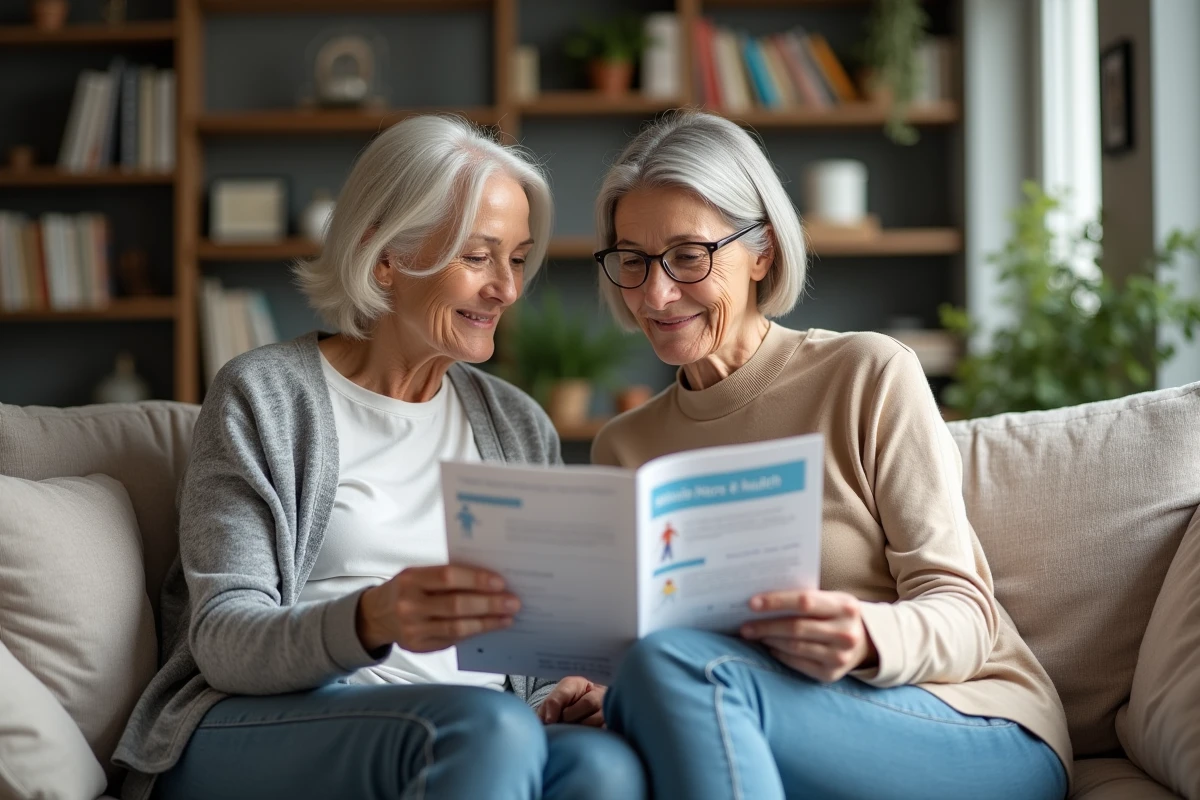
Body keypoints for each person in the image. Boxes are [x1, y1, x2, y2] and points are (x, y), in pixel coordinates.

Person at [112, 115, 644, 800]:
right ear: (385, 255)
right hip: (262, 721)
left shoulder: (516, 425)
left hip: (476, 726)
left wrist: (559, 691)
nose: (507, 290)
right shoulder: (264, 396)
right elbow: (222, 637)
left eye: (516, 258)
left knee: (606, 767)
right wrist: (373, 619)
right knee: (486, 728)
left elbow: (532, 651)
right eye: (478, 257)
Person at [587, 111, 1072, 800]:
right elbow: (637, 647)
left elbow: (965, 614)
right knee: (609, 748)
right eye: (633, 260)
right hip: (759, 714)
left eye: (688, 256)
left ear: (762, 252)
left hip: (967, 722)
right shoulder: (624, 446)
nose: (656, 294)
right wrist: (598, 687)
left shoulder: (867, 374)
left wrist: (866, 634)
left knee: (679, 668)